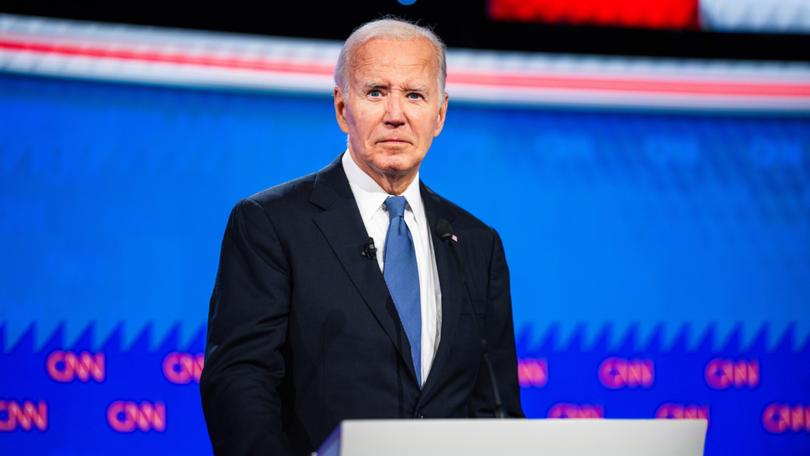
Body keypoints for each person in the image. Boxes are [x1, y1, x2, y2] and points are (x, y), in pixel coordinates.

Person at [200, 18, 523, 456]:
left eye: (414, 95)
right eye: (376, 92)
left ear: (440, 114)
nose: (395, 115)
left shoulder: (476, 244)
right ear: (341, 107)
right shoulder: (270, 224)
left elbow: (495, 408)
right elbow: (239, 381)